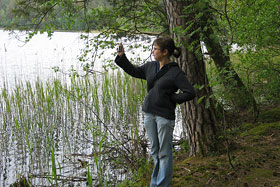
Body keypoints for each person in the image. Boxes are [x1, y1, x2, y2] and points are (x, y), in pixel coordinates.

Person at [115, 37, 195, 187]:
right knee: (155, 151)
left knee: (165, 153)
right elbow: (134, 71)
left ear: (165, 52)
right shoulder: (151, 66)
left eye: (155, 49)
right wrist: (121, 57)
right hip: (149, 114)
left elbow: (190, 92)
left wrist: (173, 98)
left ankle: (162, 184)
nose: (152, 51)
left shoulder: (175, 72)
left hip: (164, 117)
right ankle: (156, 183)